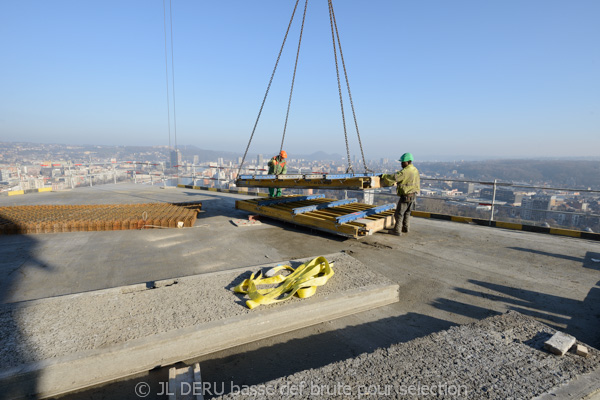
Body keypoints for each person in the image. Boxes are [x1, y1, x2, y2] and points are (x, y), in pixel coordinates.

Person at [380, 152, 420, 236]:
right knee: (407, 212)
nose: (401, 164)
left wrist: (383, 176)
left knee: (399, 213)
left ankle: (397, 231)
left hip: (406, 196)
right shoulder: (415, 170)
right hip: (413, 195)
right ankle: (405, 228)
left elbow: (393, 178)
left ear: (408, 161)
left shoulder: (405, 172)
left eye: (403, 162)